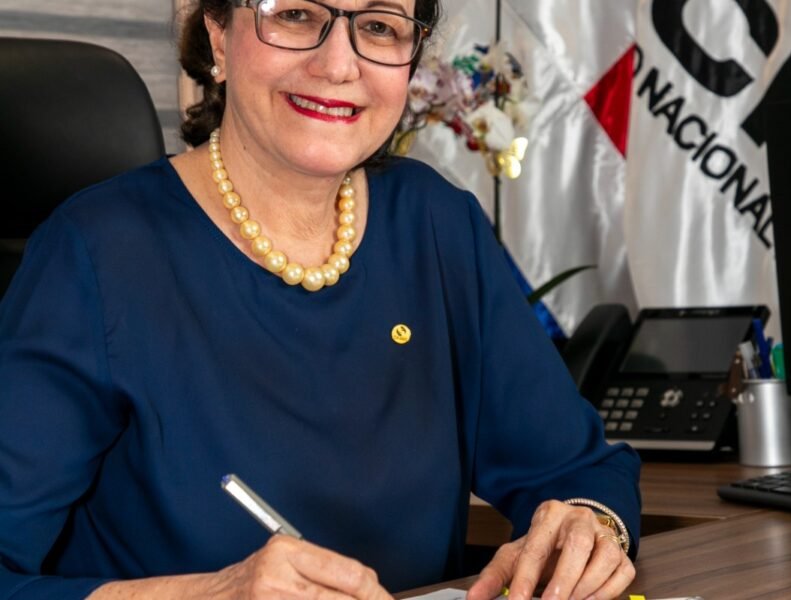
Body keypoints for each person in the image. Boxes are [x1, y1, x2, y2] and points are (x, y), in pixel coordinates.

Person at [0, 1, 641, 599]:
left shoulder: (436, 222)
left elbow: (576, 469)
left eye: (380, 26)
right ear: (219, 35)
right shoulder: (95, 253)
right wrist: (209, 594)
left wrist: (588, 527)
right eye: (296, 14)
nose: (338, 65)